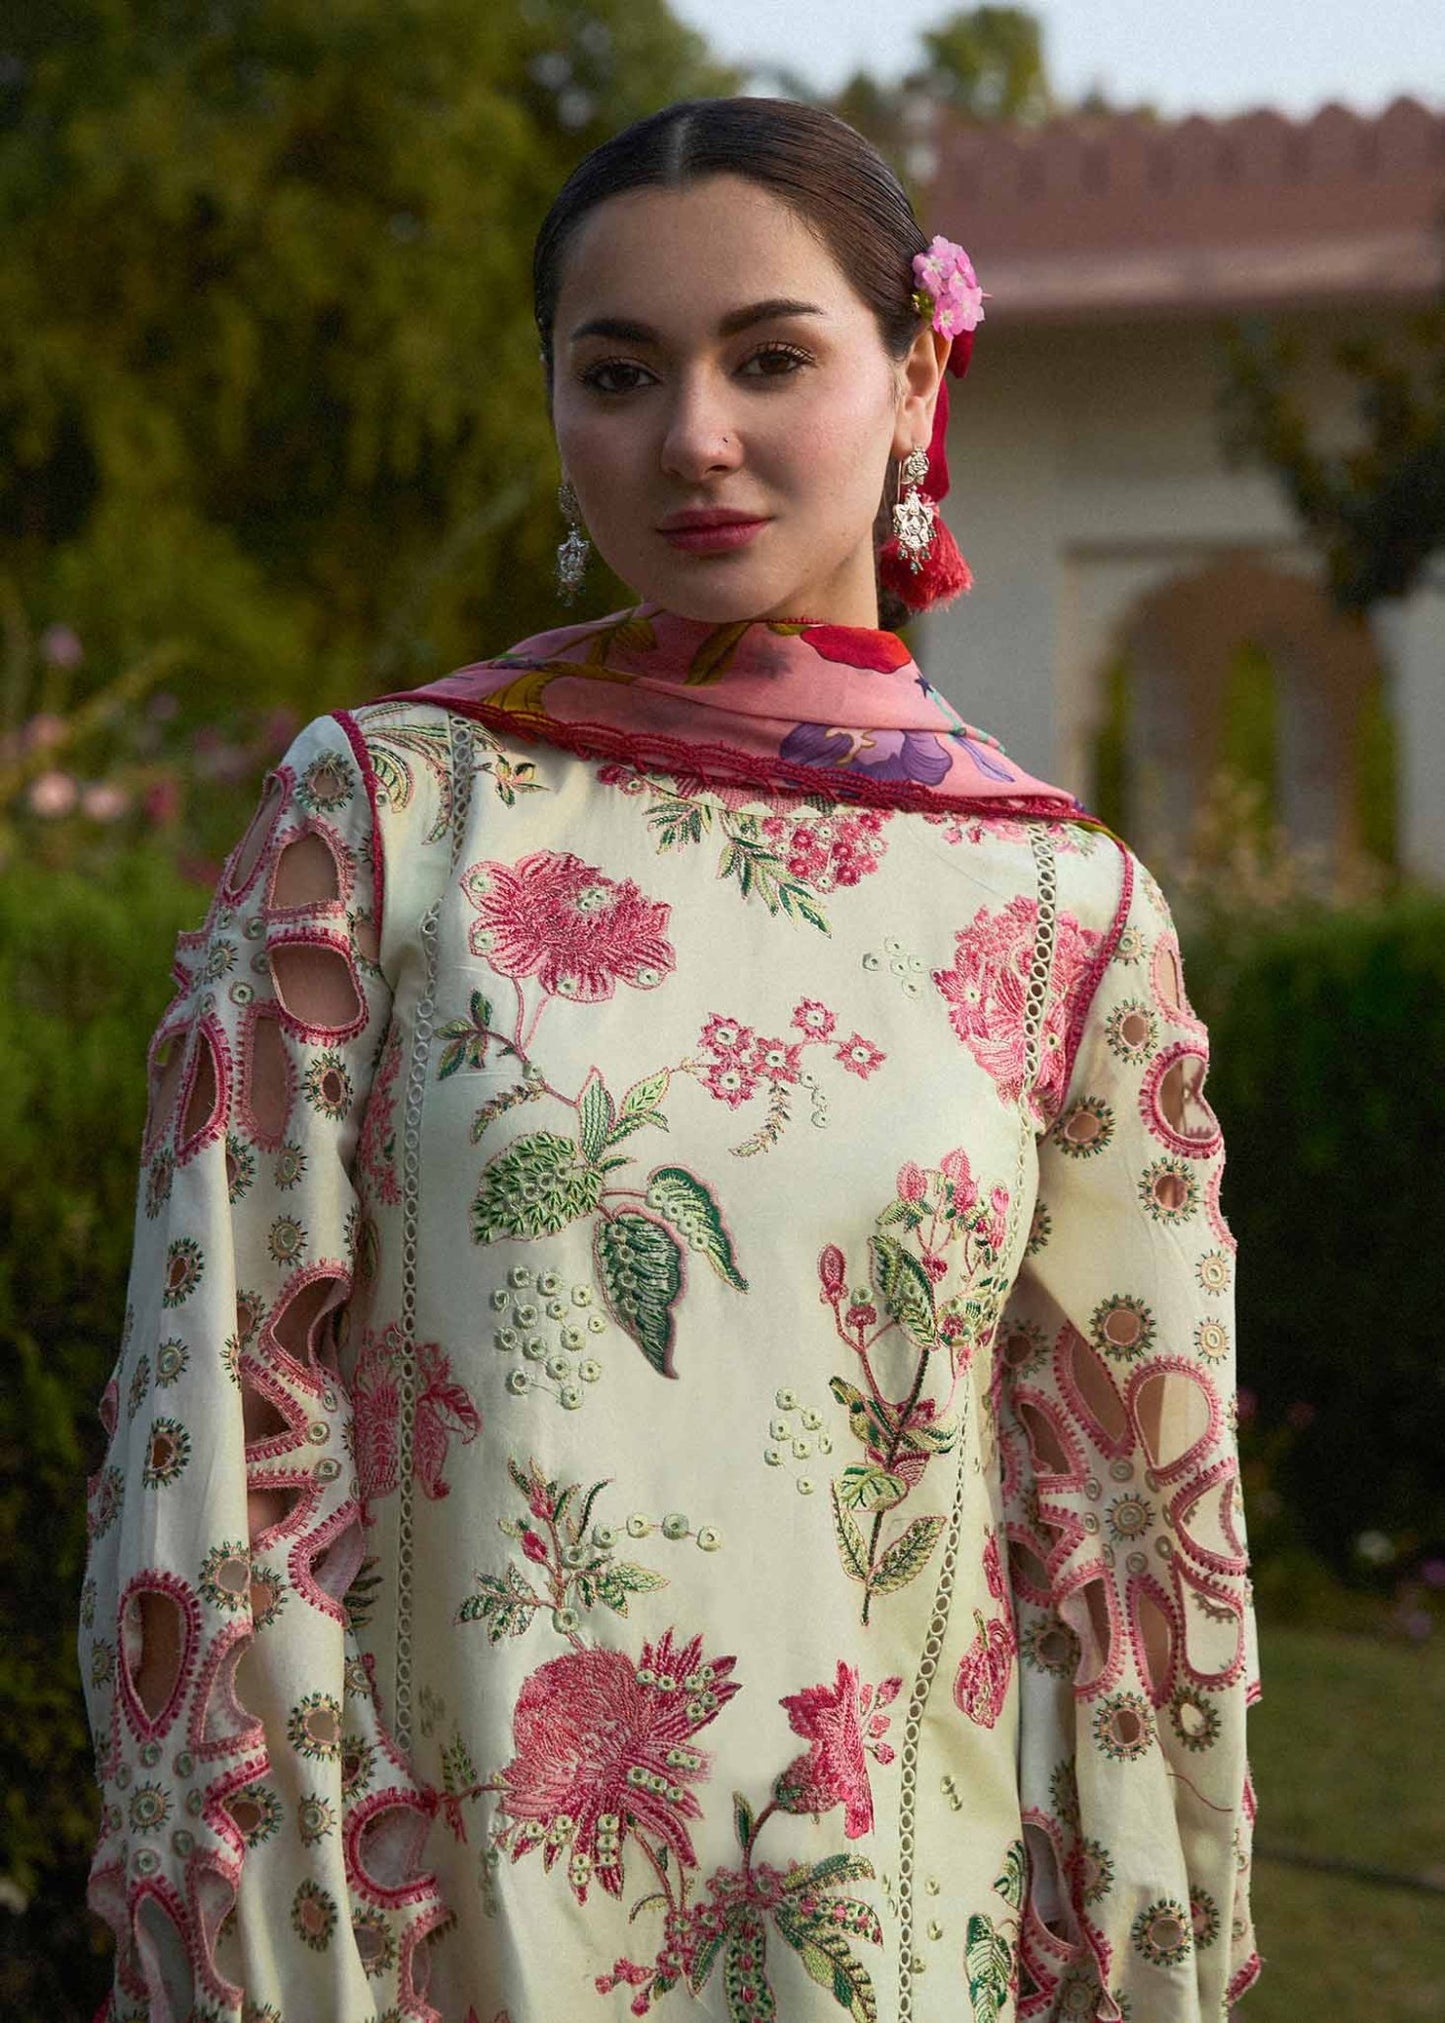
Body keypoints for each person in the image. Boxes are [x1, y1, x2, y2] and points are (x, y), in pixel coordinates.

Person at [79, 95, 1260, 2023]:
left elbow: (1131, 1551)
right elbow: (211, 1437)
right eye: (617, 371)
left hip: (889, 1938)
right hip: (440, 1935)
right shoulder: (389, 825)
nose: (690, 437)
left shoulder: (1061, 911)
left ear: (912, 376)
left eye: (768, 358)